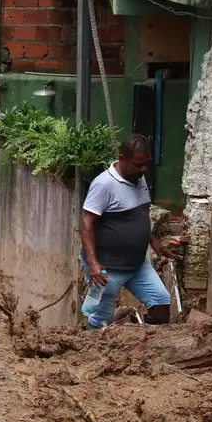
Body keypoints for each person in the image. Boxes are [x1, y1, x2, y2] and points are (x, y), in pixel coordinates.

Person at [80, 133, 177, 329]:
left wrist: (152, 241)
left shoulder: (139, 179)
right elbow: (86, 223)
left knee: (161, 305)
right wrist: (93, 264)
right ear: (122, 158)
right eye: (138, 164)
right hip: (107, 269)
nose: (143, 169)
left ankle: (144, 350)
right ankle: (85, 353)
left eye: (146, 164)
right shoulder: (104, 184)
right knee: (100, 320)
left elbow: (137, 216)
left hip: (137, 265)